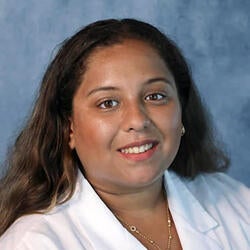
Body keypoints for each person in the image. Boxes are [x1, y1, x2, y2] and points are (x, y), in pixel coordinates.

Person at [0, 18, 249, 250]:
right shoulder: (34, 243)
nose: (137, 121)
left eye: (155, 96)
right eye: (108, 103)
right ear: (69, 127)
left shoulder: (236, 203)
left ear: (181, 110)